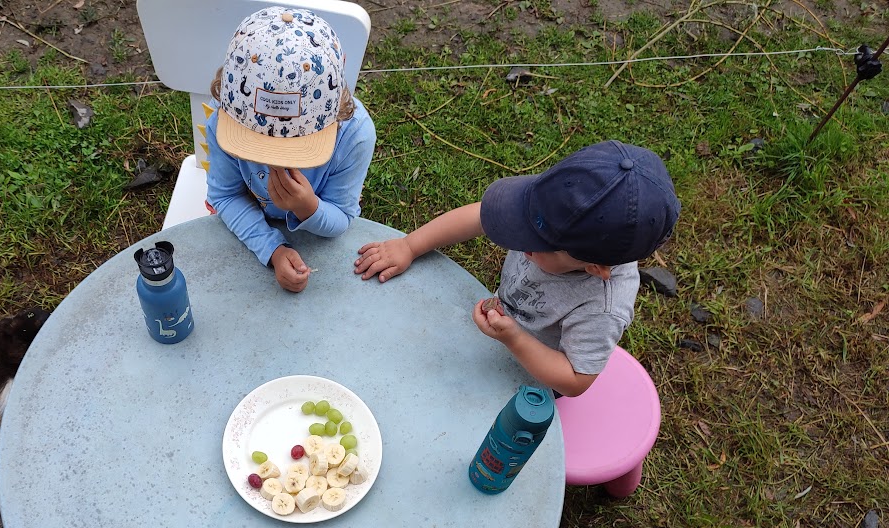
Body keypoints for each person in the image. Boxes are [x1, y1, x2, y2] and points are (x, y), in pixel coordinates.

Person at [354, 140, 680, 396]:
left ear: (594, 268)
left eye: (535, 243)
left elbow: (575, 380)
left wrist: (515, 340)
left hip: (531, 379)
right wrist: (410, 246)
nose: (521, 241)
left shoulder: (603, 308)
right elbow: (481, 216)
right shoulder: (565, 208)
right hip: (498, 334)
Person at [205, 6, 376, 293]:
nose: (275, 161)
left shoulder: (354, 135)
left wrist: (307, 206)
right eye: (257, 146)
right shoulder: (227, 118)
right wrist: (272, 249)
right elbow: (225, 195)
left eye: (294, 147)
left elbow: (341, 216)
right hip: (249, 228)